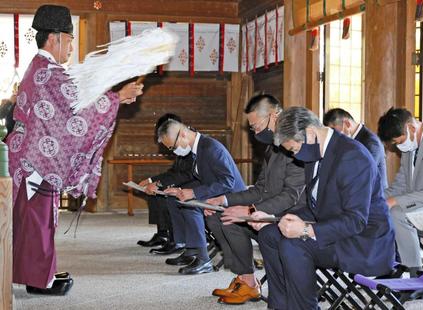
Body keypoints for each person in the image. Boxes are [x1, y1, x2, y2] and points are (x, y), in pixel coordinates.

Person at [7, 4, 143, 295]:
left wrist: (116, 98)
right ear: (54, 38)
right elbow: (76, 108)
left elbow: (76, 98)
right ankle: (37, 281)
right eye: (69, 39)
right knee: (37, 221)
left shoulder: (42, 69)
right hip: (36, 159)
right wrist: (117, 96)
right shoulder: (47, 71)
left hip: (33, 156)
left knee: (36, 219)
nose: (70, 46)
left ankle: (38, 274)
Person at [249, 107, 395, 310]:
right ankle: (281, 306)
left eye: (293, 150)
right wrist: (273, 217)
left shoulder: (353, 156)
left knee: (295, 245)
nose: (295, 156)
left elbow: (356, 220)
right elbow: (315, 207)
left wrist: (307, 230)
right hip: (336, 226)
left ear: (310, 133)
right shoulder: (315, 150)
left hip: (363, 240)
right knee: (269, 234)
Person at [205, 94, 305, 305]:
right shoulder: (271, 147)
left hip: (290, 216)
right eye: (252, 129)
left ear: (273, 116)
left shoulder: (295, 144)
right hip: (267, 211)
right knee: (220, 216)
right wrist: (223, 200)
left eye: (256, 126)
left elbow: (291, 196)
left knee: (235, 218)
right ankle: (246, 279)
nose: (255, 133)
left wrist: (251, 211)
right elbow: (260, 189)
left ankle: (252, 283)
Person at [378, 108, 423, 297]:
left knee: (397, 213)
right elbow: (400, 186)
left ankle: (416, 278)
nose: (398, 147)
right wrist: (376, 200)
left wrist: (394, 201)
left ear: (411, 127)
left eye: (399, 142)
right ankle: (384, 267)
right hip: (421, 209)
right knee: (383, 210)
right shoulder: (411, 146)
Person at [159, 119, 246, 275]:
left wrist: (193, 193)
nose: (174, 151)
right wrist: (180, 190)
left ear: (183, 134)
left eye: (173, 147)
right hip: (216, 193)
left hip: (231, 198)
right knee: (175, 199)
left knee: (190, 205)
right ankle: (190, 249)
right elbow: (205, 178)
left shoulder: (211, 147)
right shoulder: (198, 149)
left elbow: (228, 181)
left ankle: (203, 259)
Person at [137, 113, 198, 255]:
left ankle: (176, 239)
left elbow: (187, 174)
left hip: (193, 184)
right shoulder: (182, 145)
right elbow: (175, 171)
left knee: (167, 195)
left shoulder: (191, 145)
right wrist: (152, 181)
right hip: (185, 181)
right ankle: (163, 233)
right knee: (155, 192)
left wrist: (159, 184)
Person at [323, 108, 388, 189]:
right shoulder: (347, 141)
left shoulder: (371, 142)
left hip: (371, 196)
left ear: (347, 124)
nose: (333, 136)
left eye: (334, 131)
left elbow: (365, 174)